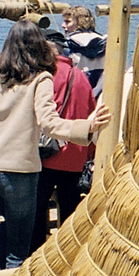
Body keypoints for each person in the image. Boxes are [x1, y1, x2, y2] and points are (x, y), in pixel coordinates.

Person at [0, 20, 108, 270]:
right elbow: (50, 124)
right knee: (18, 252)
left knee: (8, 230)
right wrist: (88, 126)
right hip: (18, 173)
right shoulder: (40, 79)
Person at [33, 33, 96, 250]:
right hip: (75, 154)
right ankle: (68, 252)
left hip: (49, 153)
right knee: (69, 210)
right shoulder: (80, 76)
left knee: (38, 209)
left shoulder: (45, 76)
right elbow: (91, 112)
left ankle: (39, 253)